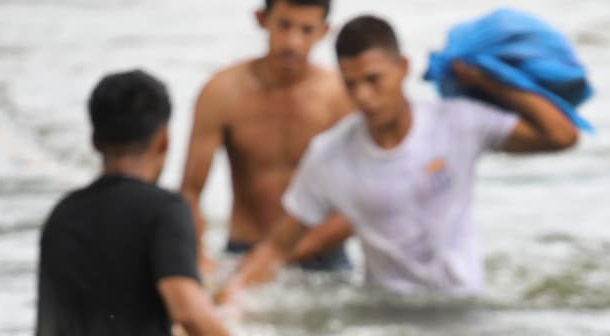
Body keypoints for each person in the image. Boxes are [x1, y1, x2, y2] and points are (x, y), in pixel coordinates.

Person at [215, 14, 581, 302]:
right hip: (386, 311)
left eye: (374, 80)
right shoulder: (329, 154)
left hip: (463, 301)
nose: (363, 96)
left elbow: (562, 136)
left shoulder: (455, 123)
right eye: (351, 83)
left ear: (403, 68)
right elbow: (279, 245)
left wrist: (490, 81)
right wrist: (230, 296)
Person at [35, 69, 287, 336]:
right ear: (164, 139)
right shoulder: (165, 211)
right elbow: (189, 312)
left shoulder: (63, 215)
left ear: (94, 140)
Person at [180, 0, 354, 278]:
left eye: (307, 30)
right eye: (284, 26)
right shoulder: (222, 92)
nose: (293, 42)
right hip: (244, 250)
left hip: (323, 255)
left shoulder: (340, 97)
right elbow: (190, 191)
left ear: (324, 31)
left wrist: (282, 255)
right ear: (261, 19)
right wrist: (200, 258)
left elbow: (365, 193)